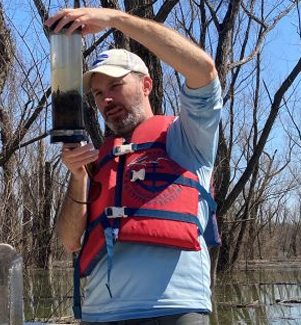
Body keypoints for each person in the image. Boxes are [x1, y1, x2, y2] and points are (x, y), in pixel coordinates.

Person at [46, 8, 222, 325]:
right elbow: (70, 240)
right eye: (98, 93)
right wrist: (77, 177)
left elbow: (204, 71)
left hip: (175, 309)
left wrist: (113, 19)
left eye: (115, 86)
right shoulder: (97, 159)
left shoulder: (188, 137)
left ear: (146, 85)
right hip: (100, 315)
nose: (106, 100)